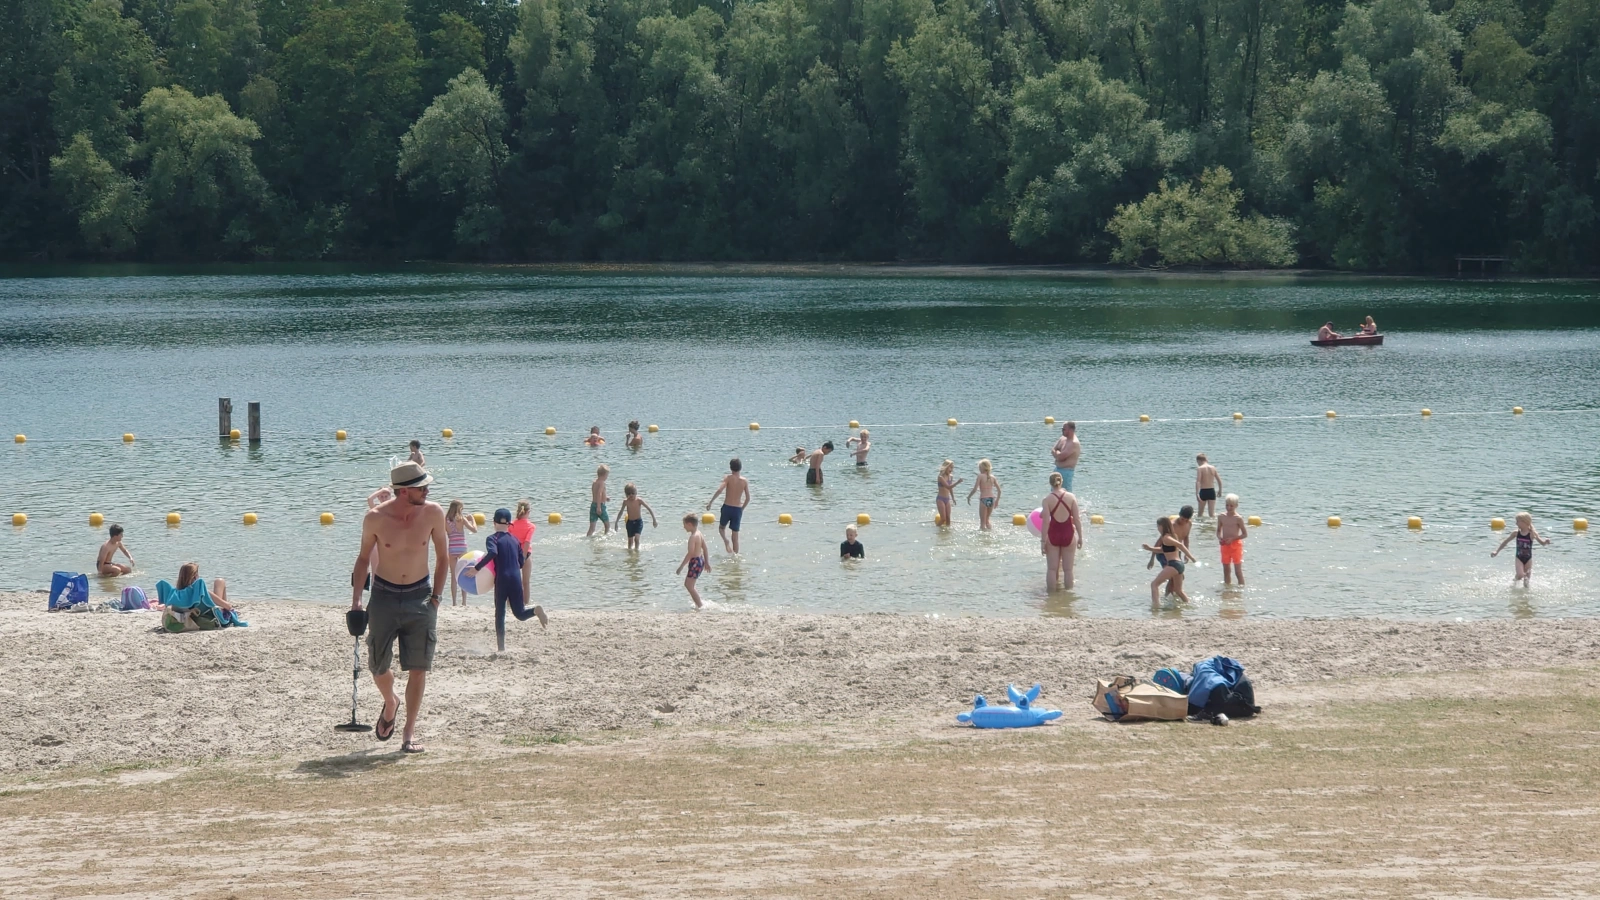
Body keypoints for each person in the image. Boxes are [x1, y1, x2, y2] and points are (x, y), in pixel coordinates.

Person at [350, 461, 448, 754]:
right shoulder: (375, 518)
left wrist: (436, 598)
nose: (427, 491)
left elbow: (443, 558)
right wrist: (357, 601)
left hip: (421, 595)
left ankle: (408, 733)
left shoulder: (433, 512)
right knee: (377, 664)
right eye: (421, 487)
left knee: (419, 667)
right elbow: (363, 559)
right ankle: (391, 702)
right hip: (384, 596)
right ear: (404, 491)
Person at [465, 509, 541, 651]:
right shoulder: (515, 540)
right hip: (516, 578)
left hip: (502, 579)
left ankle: (501, 648)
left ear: (494, 523)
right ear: (509, 524)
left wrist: (477, 568)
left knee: (500, 614)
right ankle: (535, 611)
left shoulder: (492, 538)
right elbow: (521, 562)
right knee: (520, 613)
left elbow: (493, 552)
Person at [1039, 472, 1083, 590]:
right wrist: (1080, 537)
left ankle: (1051, 596)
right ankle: (1068, 596)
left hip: (1053, 534)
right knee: (1068, 570)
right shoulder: (1071, 497)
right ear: (1061, 481)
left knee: (1052, 569)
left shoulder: (1047, 500)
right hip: (1068, 534)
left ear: (1050, 483)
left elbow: (1045, 522)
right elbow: (1077, 519)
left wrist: (1043, 542)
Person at [506, 501, 546, 627]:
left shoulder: (511, 524)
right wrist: (523, 557)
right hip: (525, 554)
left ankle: (509, 603)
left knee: (512, 581)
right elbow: (527, 542)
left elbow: (509, 540)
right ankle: (526, 603)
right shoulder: (531, 526)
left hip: (513, 554)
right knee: (526, 582)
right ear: (528, 512)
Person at [1143, 516, 1195, 604]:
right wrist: (1150, 548)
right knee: (1178, 591)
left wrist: (1191, 557)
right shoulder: (1173, 536)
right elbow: (1163, 550)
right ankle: (1189, 605)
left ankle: (1156, 607)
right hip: (1180, 565)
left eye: (1158, 526)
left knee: (1154, 585)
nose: (1157, 528)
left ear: (1162, 526)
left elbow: (1180, 545)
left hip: (1173, 564)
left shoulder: (1166, 538)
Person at [1492, 512, 1551, 588]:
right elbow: (1505, 542)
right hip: (1519, 558)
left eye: (1517, 521)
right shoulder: (1516, 533)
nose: (1516, 523)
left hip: (1528, 559)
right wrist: (1497, 551)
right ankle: (1514, 583)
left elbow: (1542, 543)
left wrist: (1546, 542)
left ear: (1524, 522)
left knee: (1526, 582)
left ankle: (1525, 594)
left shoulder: (1532, 533)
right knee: (1520, 575)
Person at [706, 458, 750, 554]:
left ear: (730, 468)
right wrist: (741, 509)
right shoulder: (744, 481)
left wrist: (711, 502)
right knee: (735, 537)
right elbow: (748, 498)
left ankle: (725, 540)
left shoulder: (728, 478)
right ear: (740, 468)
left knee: (721, 528)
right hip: (737, 510)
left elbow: (720, 490)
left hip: (727, 507)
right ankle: (735, 557)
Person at [444, 500, 479, 605]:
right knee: (463, 575)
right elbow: (474, 530)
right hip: (462, 548)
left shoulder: (445, 520)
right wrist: (472, 519)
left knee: (453, 576)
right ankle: (464, 602)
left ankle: (454, 602)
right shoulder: (461, 519)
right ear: (459, 509)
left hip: (452, 548)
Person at [676, 513, 710, 609]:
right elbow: (705, 548)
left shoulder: (693, 537)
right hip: (700, 560)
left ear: (689, 524)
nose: (684, 527)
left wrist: (681, 567)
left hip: (695, 562)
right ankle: (698, 603)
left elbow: (690, 553)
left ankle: (700, 605)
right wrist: (706, 562)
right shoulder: (699, 533)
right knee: (690, 585)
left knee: (688, 585)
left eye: (684, 525)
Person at [1217, 494, 1247, 585]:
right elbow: (1218, 531)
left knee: (1237, 571)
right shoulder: (1221, 516)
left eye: (1231, 506)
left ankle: (1241, 588)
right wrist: (1220, 538)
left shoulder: (1238, 518)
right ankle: (1227, 589)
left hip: (1236, 546)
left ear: (1236, 506)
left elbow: (1245, 534)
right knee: (1226, 570)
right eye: (1227, 505)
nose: (1228, 508)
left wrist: (1233, 539)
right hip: (1225, 545)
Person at [620, 482, 657, 551]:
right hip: (629, 522)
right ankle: (630, 553)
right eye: (629, 494)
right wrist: (616, 522)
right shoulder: (626, 502)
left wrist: (654, 520)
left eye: (633, 493)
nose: (631, 495)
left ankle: (636, 552)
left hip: (638, 522)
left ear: (636, 493)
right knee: (630, 541)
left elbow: (649, 509)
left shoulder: (639, 500)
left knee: (636, 539)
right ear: (626, 494)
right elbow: (621, 512)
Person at [966, 459, 1001, 530]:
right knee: (987, 520)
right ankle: (990, 533)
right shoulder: (993, 477)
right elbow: (999, 491)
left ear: (983, 468)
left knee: (982, 523)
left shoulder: (980, 476)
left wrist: (969, 497)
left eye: (979, 467)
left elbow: (975, 489)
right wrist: (997, 501)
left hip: (984, 499)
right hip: (992, 499)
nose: (979, 469)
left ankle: (982, 536)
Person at [1051, 422, 1081, 491]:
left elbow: (1061, 457)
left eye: (1064, 429)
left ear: (1070, 430)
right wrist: (1058, 454)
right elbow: (1053, 450)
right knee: (1054, 492)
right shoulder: (1062, 438)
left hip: (1066, 471)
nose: (1062, 430)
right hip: (1057, 469)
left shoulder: (1074, 443)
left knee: (1066, 493)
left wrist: (1057, 453)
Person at [935, 459, 962, 526]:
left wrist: (953, 498)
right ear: (946, 467)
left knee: (948, 519)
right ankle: (937, 529)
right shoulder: (940, 477)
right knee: (943, 518)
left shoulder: (950, 477)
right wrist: (957, 482)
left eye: (952, 468)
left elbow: (950, 488)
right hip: (940, 499)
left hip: (947, 499)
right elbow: (948, 487)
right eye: (950, 467)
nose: (951, 469)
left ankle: (947, 531)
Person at [588, 464, 611, 536]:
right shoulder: (602, 483)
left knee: (592, 528)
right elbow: (599, 494)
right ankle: (605, 537)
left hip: (593, 505)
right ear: (604, 475)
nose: (607, 477)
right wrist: (599, 507)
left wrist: (605, 498)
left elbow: (595, 494)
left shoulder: (594, 482)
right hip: (600, 506)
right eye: (607, 475)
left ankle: (588, 537)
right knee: (607, 525)